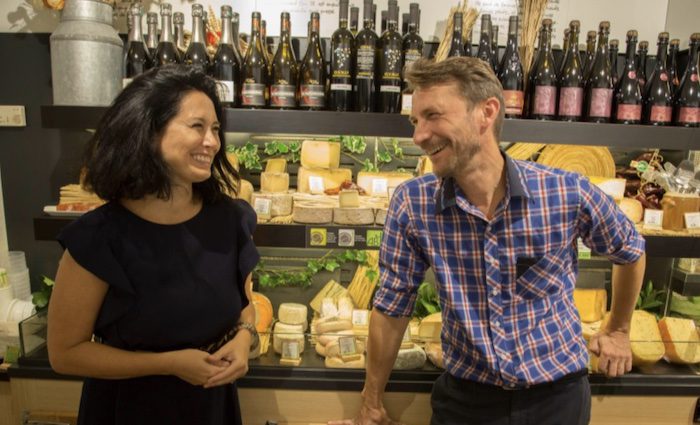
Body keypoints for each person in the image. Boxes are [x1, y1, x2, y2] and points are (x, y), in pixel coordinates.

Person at [330, 57, 646, 425]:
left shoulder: (564, 191)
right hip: (466, 402)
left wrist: (618, 330)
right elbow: (391, 307)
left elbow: (630, 249)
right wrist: (371, 398)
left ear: (487, 112)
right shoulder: (413, 204)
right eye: (415, 121)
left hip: (556, 398)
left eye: (433, 116)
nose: (418, 136)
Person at [47, 65, 260, 425]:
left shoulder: (230, 221)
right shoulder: (100, 237)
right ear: (148, 132)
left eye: (215, 129)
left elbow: (244, 305)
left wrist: (244, 339)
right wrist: (168, 364)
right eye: (197, 127)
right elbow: (65, 353)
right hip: (128, 409)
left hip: (210, 406)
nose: (212, 142)